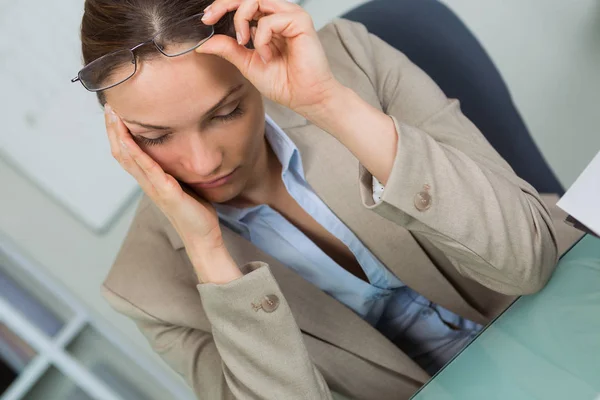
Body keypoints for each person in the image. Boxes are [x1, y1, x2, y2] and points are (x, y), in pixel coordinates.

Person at [73, 0, 577, 398]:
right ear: (115, 128)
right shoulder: (144, 287)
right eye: (156, 137)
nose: (203, 162)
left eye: (226, 111)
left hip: (570, 306)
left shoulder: (349, 60)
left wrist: (329, 105)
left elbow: (528, 263)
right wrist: (209, 253)